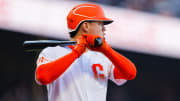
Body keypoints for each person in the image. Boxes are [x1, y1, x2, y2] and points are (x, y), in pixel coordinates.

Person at [35, 3, 137, 101]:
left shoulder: (103, 57)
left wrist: (107, 50)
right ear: (86, 26)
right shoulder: (53, 52)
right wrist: (76, 53)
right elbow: (42, 77)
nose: (104, 29)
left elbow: (130, 73)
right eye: (100, 24)